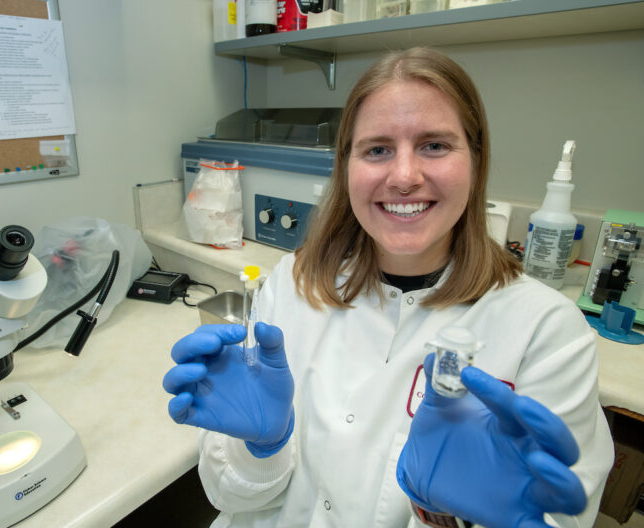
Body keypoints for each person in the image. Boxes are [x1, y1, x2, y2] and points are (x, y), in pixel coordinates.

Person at [162, 47, 614, 527]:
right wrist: (262, 448)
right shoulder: (292, 281)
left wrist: (443, 515)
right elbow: (232, 500)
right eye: (377, 149)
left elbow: (553, 516)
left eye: (434, 145)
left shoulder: (546, 331)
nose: (403, 177)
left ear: (476, 162)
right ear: (347, 166)